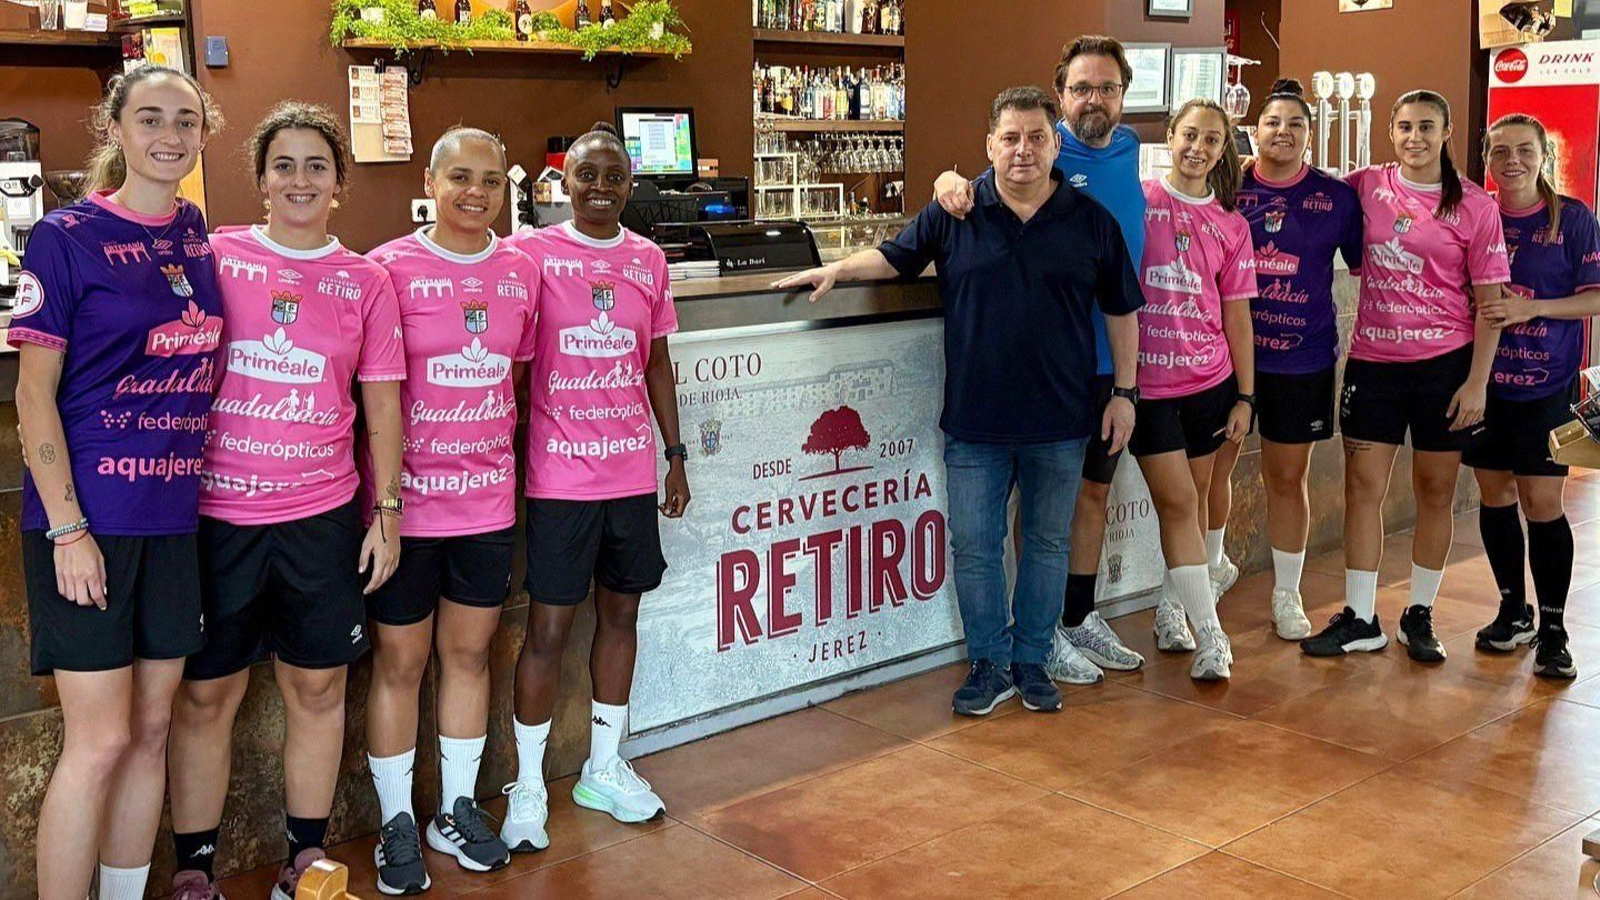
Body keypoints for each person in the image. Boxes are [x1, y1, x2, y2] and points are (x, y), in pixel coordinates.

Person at [776, 86, 1143, 714]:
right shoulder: (956, 212)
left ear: (1056, 144)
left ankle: (1032, 659)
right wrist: (836, 270)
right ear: (989, 145)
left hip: (1062, 417)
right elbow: (894, 259)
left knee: (1048, 544)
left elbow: (1121, 312)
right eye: (1010, 138)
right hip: (975, 420)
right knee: (975, 546)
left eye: (1036, 137)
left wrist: (1126, 394)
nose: (1023, 150)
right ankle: (988, 663)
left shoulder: (1090, 222)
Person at [166, 102, 406, 900]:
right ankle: (195, 868)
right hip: (217, 517)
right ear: (260, 178)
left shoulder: (365, 280)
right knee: (206, 695)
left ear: (338, 183)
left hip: (320, 518)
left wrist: (388, 512)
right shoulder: (217, 254)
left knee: (319, 687)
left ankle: (305, 858)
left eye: (316, 167)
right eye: (284, 166)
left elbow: (380, 406)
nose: (299, 181)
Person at [10, 66, 222, 900]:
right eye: (150, 118)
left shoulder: (196, 232)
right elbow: (34, 395)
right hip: (86, 522)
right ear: (115, 128)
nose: (169, 135)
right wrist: (68, 530)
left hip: (171, 518)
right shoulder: (64, 237)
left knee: (149, 731)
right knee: (95, 742)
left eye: (186, 120)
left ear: (204, 133)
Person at [931, 35, 1147, 680]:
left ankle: (1071, 621)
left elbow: (1123, 299)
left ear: (1122, 95)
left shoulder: (1132, 149)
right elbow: (981, 176)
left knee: (1086, 505)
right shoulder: (1046, 152)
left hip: (1104, 367)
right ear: (1060, 103)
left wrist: (1126, 390)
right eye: (1081, 88)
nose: (1094, 99)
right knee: (1035, 515)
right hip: (1051, 367)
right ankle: (1039, 638)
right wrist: (947, 179)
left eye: (1106, 87)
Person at [500, 122, 688, 848]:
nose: (601, 188)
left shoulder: (647, 260)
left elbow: (657, 363)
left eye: (614, 177)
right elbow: (512, 365)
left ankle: (604, 767)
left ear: (630, 186)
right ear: (563, 184)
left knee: (621, 619)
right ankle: (526, 785)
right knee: (546, 630)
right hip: (559, 478)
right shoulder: (530, 256)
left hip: (630, 477)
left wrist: (674, 455)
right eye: (587, 176)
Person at [361, 127, 537, 894]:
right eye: (460, 176)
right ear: (430, 179)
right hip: (403, 511)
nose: (476, 192)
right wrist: (385, 503)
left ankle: (455, 808)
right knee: (400, 663)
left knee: (468, 658)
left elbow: (518, 379)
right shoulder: (386, 268)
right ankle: (399, 819)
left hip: (486, 505)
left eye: (491, 180)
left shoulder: (521, 270)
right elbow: (370, 393)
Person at [1301, 90, 1510, 663]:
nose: (1414, 137)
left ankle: (1419, 614)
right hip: (1374, 366)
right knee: (1362, 491)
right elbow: (1301, 185)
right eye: (1404, 126)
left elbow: (1491, 304)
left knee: (1434, 492)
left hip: (1445, 368)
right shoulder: (1366, 185)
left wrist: (1477, 382)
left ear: (1447, 132)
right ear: (1390, 132)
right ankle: (1362, 616)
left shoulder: (1474, 206)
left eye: (1426, 126)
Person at [1203, 80, 1364, 639]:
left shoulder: (1336, 198)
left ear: (1309, 135)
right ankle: (1211, 568)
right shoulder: (1227, 185)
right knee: (1215, 466)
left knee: (1285, 476)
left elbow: (1372, 263)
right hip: (1225, 358)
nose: (1283, 132)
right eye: (1273, 122)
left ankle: (1287, 592)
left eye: (1295, 124)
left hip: (1303, 359)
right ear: (1255, 129)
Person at [1469, 114, 1600, 678]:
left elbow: (1596, 298)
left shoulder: (1573, 219)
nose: (1513, 161)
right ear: (1487, 159)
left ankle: (1553, 629)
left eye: (1525, 150)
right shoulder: (1477, 215)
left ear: (1544, 156)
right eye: (1501, 152)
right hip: (1484, 386)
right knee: (1494, 495)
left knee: (1542, 504)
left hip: (1548, 387)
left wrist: (1534, 308)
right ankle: (1512, 611)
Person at [1130, 99, 1257, 681]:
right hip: (1148, 388)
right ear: (1171, 137)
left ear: (1223, 149)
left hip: (1210, 382)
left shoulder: (1231, 225)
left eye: (1211, 140)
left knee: (1200, 496)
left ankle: (1170, 608)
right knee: (1178, 501)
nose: (1198, 148)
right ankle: (1213, 636)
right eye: (1189, 135)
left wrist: (1245, 396)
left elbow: (1236, 318)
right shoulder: (1139, 203)